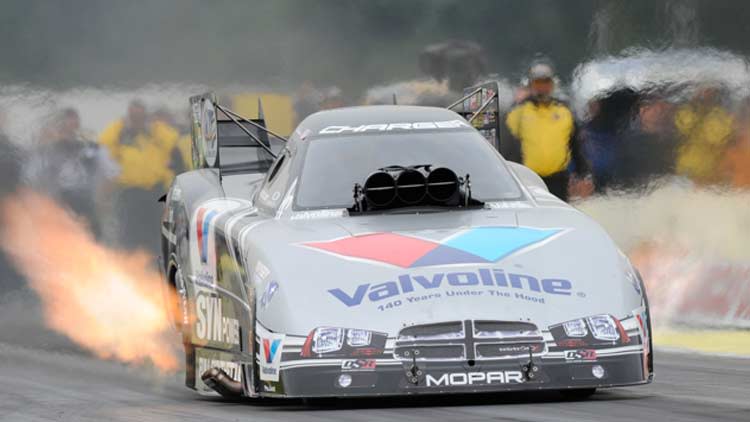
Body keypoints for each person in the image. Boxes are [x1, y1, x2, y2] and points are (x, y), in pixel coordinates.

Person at [505, 62, 592, 201]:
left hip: (557, 179)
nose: (542, 88)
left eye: (546, 82)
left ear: (552, 85)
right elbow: (506, 144)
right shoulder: (519, 111)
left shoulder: (564, 111)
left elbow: (576, 145)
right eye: (538, 83)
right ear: (531, 85)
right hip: (527, 180)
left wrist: (583, 174)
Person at [99, 100, 179, 252]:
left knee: (155, 237)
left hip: (155, 193)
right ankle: (131, 267)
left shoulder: (156, 134)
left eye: (141, 116)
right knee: (129, 237)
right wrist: (121, 126)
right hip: (130, 194)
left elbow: (172, 139)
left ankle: (155, 268)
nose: (137, 121)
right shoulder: (121, 136)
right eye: (133, 117)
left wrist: (153, 127)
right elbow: (104, 143)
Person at [25, 108, 118, 236]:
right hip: (58, 204)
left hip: (87, 203)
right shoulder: (45, 152)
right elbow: (31, 177)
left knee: (92, 242)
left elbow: (112, 173)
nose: (67, 131)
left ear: (77, 125)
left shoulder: (92, 149)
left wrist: (101, 199)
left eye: (72, 125)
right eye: (63, 126)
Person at [674, 86, 734, 185]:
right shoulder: (686, 110)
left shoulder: (722, 114)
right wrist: (693, 105)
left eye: (710, 89)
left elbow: (717, 138)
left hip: (711, 168)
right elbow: (684, 126)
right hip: (688, 168)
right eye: (703, 89)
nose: (706, 93)